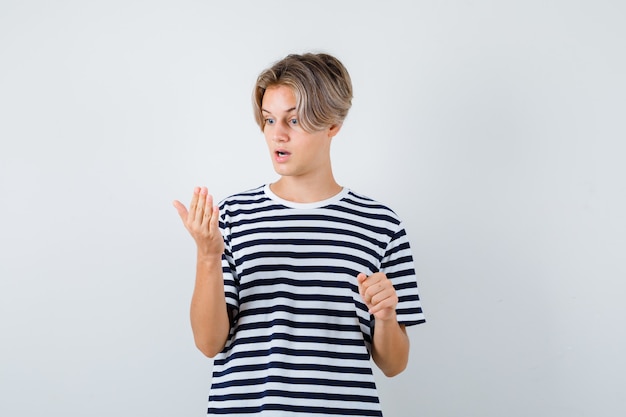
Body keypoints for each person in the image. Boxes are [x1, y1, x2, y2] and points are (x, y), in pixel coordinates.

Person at [173, 52, 425, 417]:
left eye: (294, 119)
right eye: (269, 119)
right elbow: (209, 343)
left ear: (332, 123)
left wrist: (385, 317)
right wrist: (208, 255)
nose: (278, 133)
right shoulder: (232, 216)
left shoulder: (380, 224)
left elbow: (393, 364)